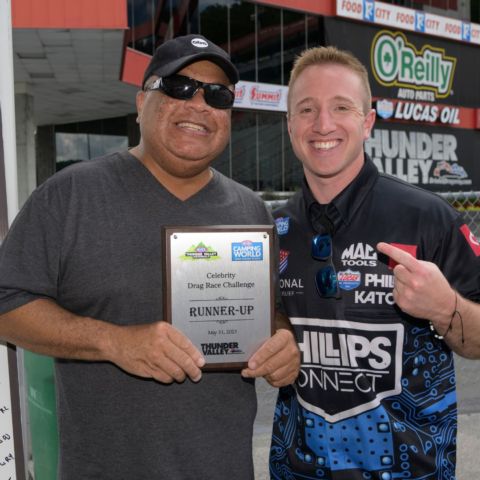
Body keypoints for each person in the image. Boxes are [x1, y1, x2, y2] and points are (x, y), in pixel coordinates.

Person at [0, 34, 299, 479]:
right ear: (142, 103)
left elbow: (266, 316)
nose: (199, 104)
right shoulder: (70, 195)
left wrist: (281, 344)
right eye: (179, 87)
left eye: (218, 96)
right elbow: (6, 306)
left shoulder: (249, 210)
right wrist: (115, 342)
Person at [270, 45, 480, 480]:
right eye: (306, 109)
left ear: (367, 122)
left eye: (341, 107)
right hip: (297, 470)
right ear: (290, 126)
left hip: (413, 471)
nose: (323, 124)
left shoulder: (429, 218)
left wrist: (446, 308)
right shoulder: (271, 230)